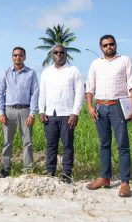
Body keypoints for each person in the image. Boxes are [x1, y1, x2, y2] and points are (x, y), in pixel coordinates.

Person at [85, 34, 132, 198]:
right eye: (105, 45)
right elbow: (89, 87)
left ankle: (125, 183)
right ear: (101, 47)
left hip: (118, 107)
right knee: (104, 144)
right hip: (100, 108)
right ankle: (105, 178)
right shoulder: (96, 64)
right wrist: (89, 106)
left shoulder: (125, 60)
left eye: (111, 44)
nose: (108, 47)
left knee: (122, 145)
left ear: (115, 45)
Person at [38, 44, 84, 183]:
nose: (58, 54)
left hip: (67, 114)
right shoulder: (46, 72)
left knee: (67, 145)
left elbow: (80, 93)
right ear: (52, 55)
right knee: (51, 145)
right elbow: (42, 93)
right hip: (50, 114)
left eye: (61, 52)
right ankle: (50, 172)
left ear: (65, 54)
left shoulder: (73, 71)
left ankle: (66, 173)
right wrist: (41, 111)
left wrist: (75, 113)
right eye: (55, 52)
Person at [0, 47, 39, 178]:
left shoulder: (31, 73)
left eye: (20, 55)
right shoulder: (6, 73)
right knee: (7, 141)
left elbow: (35, 93)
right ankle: (5, 168)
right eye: (15, 55)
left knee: (27, 142)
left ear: (24, 57)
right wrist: (1, 113)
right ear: (12, 57)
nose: (18, 57)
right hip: (9, 111)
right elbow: (0, 93)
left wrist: (32, 113)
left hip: (26, 110)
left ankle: (27, 170)